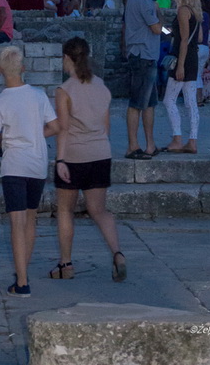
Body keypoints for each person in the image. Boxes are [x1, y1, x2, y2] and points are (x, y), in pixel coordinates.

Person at [50, 37, 126, 283]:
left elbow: (62, 128)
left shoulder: (64, 90)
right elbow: (106, 127)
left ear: (66, 58)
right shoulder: (101, 86)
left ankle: (66, 264)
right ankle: (118, 253)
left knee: (64, 211)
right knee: (99, 211)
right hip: (100, 154)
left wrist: (60, 160)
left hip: (73, 156)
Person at [0, 45, 59, 297]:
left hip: (14, 164)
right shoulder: (39, 96)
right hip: (37, 163)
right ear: (24, 69)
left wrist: (8, 137)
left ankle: (23, 282)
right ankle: (22, 270)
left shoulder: (0, 102)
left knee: (16, 222)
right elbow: (55, 126)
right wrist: (35, 134)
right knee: (30, 219)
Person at [122, 0, 161, 159]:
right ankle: (133, 145)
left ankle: (150, 144)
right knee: (137, 102)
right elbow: (156, 28)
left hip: (146, 54)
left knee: (149, 103)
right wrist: (160, 13)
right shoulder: (144, 0)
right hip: (142, 55)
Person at [161, 0, 202, 153]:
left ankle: (177, 137)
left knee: (169, 100)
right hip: (193, 57)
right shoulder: (196, 12)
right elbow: (197, 37)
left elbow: (183, 39)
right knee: (191, 102)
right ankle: (192, 140)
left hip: (182, 58)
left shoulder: (182, 11)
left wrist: (180, 66)